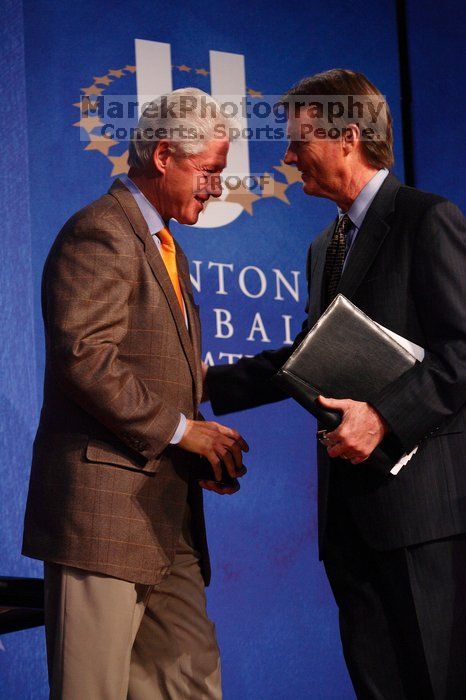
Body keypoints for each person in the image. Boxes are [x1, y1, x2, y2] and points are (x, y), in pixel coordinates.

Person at [205, 70, 466, 699]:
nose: (288, 157)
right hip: (350, 521)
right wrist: (202, 381)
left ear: (347, 137)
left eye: (298, 142)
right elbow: (311, 357)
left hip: (423, 516)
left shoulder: (426, 219)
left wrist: (384, 415)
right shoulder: (327, 245)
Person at [22, 87, 248, 700]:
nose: (216, 188)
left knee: (190, 683)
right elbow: (83, 355)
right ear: (165, 156)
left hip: (166, 517)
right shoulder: (100, 232)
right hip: (103, 515)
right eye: (210, 172)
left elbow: (162, 375)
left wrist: (195, 448)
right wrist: (181, 430)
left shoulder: (168, 250)